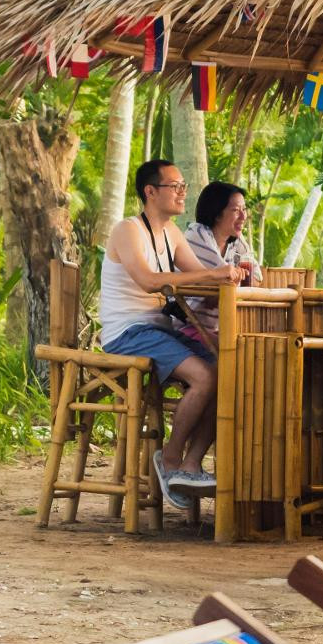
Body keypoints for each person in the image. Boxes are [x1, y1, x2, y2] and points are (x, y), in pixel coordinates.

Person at [101, 159, 245, 510]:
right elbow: (149, 281)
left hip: (160, 329)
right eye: (174, 186)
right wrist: (214, 275)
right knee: (205, 376)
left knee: (230, 374)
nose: (183, 193)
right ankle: (169, 459)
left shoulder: (172, 233)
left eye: (183, 186)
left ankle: (191, 465)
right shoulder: (128, 230)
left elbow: (199, 275)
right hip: (128, 332)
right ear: (150, 192)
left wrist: (227, 275)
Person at [184, 180, 260, 341]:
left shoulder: (236, 240)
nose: (243, 216)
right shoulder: (197, 233)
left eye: (244, 209)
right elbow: (224, 277)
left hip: (214, 328)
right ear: (217, 213)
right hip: (185, 327)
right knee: (239, 352)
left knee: (252, 346)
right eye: (235, 210)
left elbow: (257, 279)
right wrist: (225, 285)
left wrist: (221, 290)